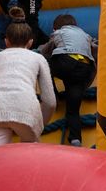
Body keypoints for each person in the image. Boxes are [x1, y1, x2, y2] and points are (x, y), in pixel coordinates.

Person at [0, 15, 55, 147]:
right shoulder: (38, 58)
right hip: (25, 108)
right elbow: (50, 102)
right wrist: (40, 123)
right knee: (28, 154)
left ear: (6, 42)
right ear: (30, 42)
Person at [38, 14, 98, 147]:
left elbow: (45, 50)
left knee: (43, 62)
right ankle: (76, 139)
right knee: (73, 110)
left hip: (66, 63)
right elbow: (95, 50)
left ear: (55, 28)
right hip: (83, 70)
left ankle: (53, 95)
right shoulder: (86, 35)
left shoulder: (59, 32)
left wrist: (38, 51)